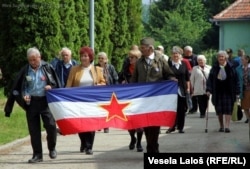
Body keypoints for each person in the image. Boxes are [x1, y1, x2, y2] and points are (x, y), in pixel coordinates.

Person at [4, 47, 61, 163]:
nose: (33, 62)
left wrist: (51, 87)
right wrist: (24, 95)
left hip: (45, 101)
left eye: (34, 59)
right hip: (32, 103)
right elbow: (19, 87)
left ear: (40, 57)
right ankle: (37, 155)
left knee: (50, 126)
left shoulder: (48, 67)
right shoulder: (25, 70)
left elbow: (57, 85)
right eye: (30, 60)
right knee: (34, 130)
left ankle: (52, 148)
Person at [131, 37, 176, 153]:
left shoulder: (160, 60)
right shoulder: (139, 62)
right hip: (143, 99)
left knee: (155, 125)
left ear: (150, 48)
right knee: (145, 124)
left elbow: (168, 74)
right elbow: (134, 80)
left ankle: (153, 147)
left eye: (143, 48)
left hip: (156, 99)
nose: (141, 50)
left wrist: (172, 80)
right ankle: (151, 146)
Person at [66, 46, 106, 155]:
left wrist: (99, 85)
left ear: (90, 57)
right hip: (78, 101)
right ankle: (83, 142)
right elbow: (69, 85)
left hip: (92, 102)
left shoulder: (97, 70)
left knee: (91, 124)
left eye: (85, 56)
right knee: (80, 124)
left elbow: (103, 83)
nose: (83, 58)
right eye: (82, 56)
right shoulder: (74, 69)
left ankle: (89, 146)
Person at [206, 50, 240, 133]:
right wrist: (208, 90)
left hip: (229, 92)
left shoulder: (231, 67)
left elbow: (236, 80)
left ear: (226, 58)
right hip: (218, 92)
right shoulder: (214, 68)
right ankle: (221, 126)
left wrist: (237, 91)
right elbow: (210, 80)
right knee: (219, 110)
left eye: (222, 56)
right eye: (219, 57)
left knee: (228, 109)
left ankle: (227, 126)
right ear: (217, 58)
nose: (221, 58)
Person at [119, 49, 144, 152]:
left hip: (140, 97)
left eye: (132, 57)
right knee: (130, 122)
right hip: (128, 98)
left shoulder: (142, 69)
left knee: (140, 122)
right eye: (129, 57)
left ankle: (139, 142)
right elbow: (119, 79)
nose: (130, 59)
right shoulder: (126, 69)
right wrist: (122, 82)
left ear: (138, 59)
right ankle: (132, 138)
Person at [166, 46, 190, 134]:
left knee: (181, 109)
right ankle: (172, 126)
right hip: (171, 91)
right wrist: (171, 78)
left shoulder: (183, 64)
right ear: (171, 55)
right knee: (172, 110)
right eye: (173, 54)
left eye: (177, 54)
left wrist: (188, 88)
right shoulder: (168, 65)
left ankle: (181, 127)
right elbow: (165, 76)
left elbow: (187, 78)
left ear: (180, 55)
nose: (175, 55)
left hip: (182, 90)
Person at [95, 51, 119, 133]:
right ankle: (99, 124)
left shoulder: (111, 67)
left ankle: (106, 126)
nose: (100, 60)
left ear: (106, 59)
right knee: (99, 108)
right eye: (99, 58)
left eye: (102, 58)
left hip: (109, 90)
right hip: (99, 90)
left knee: (107, 109)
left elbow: (115, 78)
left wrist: (115, 89)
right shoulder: (95, 67)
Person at [183, 45, 198, 114]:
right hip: (186, 77)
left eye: (185, 52)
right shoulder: (183, 58)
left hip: (194, 76)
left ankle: (194, 108)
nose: (184, 53)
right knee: (188, 92)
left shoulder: (195, 57)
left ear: (189, 51)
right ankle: (188, 107)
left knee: (193, 93)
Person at [236, 54, 250, 123]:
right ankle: (248, 118)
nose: (241, 61)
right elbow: (236, 79)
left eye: (242, 60)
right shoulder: (238, 69)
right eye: (241, 60)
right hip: (243, 89)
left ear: (247, 60)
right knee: (245, 105)